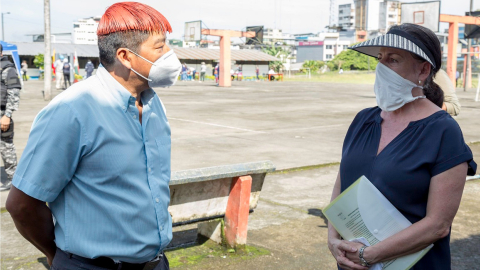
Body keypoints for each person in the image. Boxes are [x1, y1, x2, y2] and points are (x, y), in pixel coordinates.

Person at [6, 2, 180, 270]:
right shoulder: (72, 111)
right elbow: (22, 204)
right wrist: (57, 256)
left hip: (155, 263)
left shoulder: (154, 103)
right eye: (160, 47)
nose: (170, 54)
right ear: (125, 56)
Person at [328, 24, 477, 270]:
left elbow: (438, 224)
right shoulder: (363, 120)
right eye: (380, 58)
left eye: (393, 59)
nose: (381, 67)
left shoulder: (443, 131)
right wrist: (333, 240)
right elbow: (342, 185)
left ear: (423, 70)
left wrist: (369, 255)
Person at [0, 44, 21, 191]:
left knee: (6, 148)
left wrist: (7, 115)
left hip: (2, 114)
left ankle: (13, 179)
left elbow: (14, 94)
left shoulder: (8, 69)